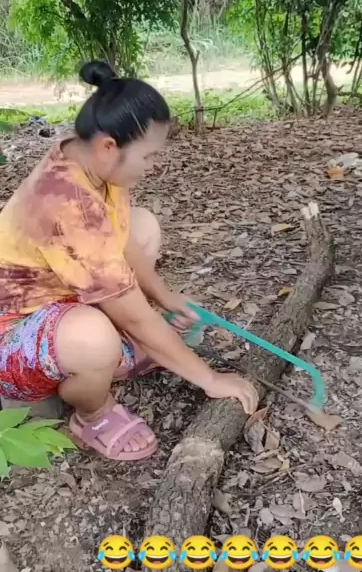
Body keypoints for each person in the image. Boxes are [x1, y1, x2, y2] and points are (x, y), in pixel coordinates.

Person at [0, 60, 258, 461]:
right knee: (94, 338)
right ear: (109, 146)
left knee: (143, 225)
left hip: (59, 298)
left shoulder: (91, 161)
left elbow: (118, 237)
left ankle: (117, 351)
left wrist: (165, 296)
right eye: (148, 156)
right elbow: (133, 313)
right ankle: (92, 414)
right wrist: (209, 378)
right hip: (13, 336)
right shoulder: (67, 201)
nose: (152, 166)